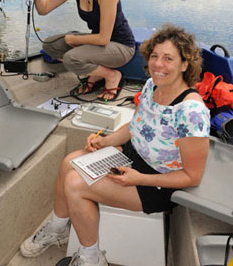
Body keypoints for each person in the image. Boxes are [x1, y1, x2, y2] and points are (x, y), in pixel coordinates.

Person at [20, 24, 211, 266]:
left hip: (158, 183)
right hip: (133, 158)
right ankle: (58, 230)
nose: (158, 65)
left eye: (168, 59)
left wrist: (138, 179)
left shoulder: (191, 112)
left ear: (185, 64)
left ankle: (91, 260)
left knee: (75, 185)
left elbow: (191, 177)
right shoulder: (153, 86)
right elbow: (136, 126)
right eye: (154, 56)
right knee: (69, 162)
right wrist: (106, 141)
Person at [25, 0, 134, 100]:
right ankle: (95, 74)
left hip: (120, 47)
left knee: (71, 58)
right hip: (98, 44)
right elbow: (43, 9)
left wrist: (73, 39)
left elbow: (104, 38)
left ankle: (111, 75)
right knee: (50, 45)